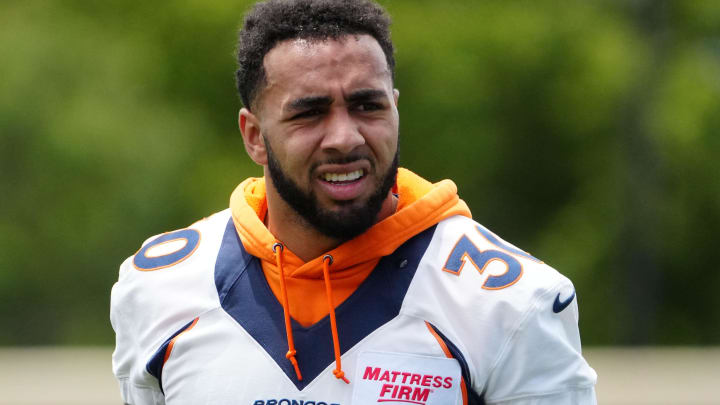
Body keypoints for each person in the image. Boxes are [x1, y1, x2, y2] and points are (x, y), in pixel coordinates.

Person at [110, 0, 597, 404]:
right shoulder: (158, 287)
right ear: (254, 136)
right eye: (310, 113)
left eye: (368, 106)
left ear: (396, 109)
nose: (345, 137)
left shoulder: (512, 303)